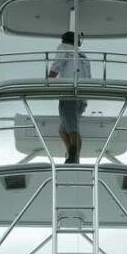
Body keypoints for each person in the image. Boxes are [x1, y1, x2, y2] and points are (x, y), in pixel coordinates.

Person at [47, 30, 91, 164]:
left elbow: (56, 65)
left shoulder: (64, 48)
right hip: (82, 97)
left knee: (72, 129)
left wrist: (48, 82)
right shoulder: (84, 56)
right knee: (63, 129)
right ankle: (71, 153)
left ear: (64, 41)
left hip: (70, 93)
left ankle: (74, 158)